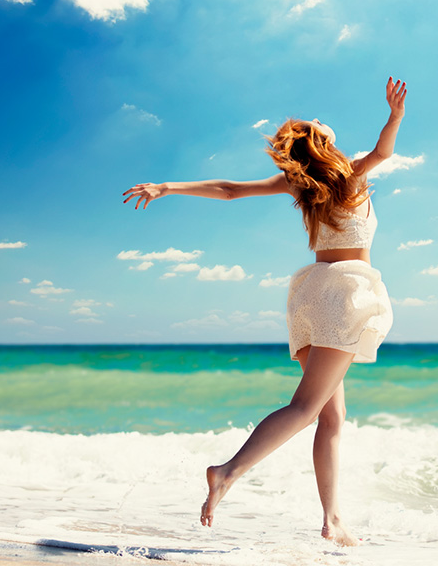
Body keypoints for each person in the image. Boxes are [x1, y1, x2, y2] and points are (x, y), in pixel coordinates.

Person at [122, 77, 407, 546]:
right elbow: (383, 151)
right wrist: (394, 116)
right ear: (325, 145)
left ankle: (332, 520)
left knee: (330, 417)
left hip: (311, 295)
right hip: (345, 292)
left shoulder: (299, 184)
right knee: (306, 407)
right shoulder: (351, 174)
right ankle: (227, 472)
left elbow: (230, 189)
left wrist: (166, 186)